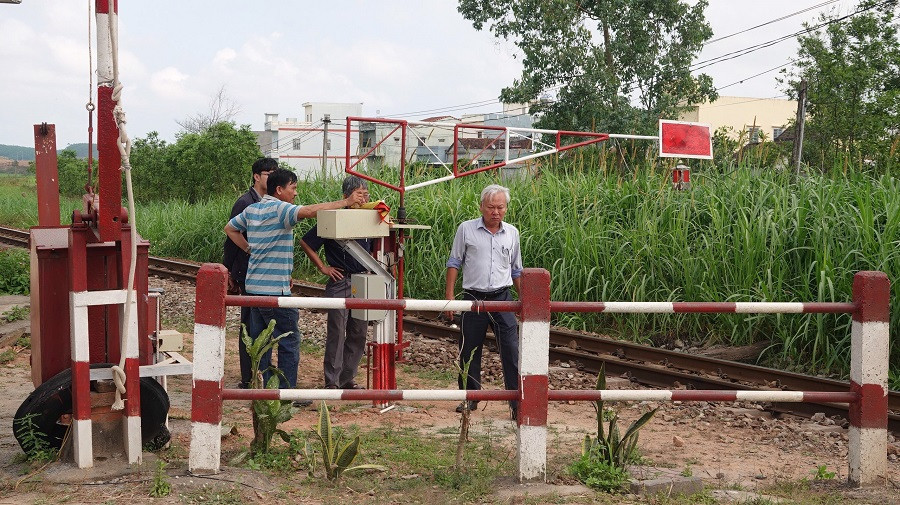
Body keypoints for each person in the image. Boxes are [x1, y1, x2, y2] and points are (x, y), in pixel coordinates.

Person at [224, 168, 367, 395]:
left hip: (253, 288)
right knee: (289, 342)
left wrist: (250, 249)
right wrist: (346, 201)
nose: (296, 193)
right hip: (275, 292)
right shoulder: (281, 209)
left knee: (260, 343)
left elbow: (230, 228)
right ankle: (287, 393)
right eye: (293, 188)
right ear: (279, 190)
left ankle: (263, 390)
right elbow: (310, 211)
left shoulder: (252, 209)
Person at [444, 184, 523, 420]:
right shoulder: (466, 229)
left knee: (511, 350)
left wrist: (524, 300)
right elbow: (454, 262)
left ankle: (515, 403)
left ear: (506, 209)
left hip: (503, 299)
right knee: (469, 350)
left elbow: (516, 270)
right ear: (481, 207)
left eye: (500, 207)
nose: (495, 212)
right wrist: (449, 298)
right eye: (491, 207)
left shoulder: (512, 233)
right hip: (473, 300)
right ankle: (470, 398)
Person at [299, 175, 373, 390]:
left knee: (359, 331)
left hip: (364, 280)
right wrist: (323, 267)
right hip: (341, 281)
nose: (363, 198)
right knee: (337, 332)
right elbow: (307, 242)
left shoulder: (371, 218)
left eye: (365, 194)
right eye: (358, 194)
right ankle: (332, 381)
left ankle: (347, 378)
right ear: (345, 196)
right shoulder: (333, 218)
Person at [222, 157, 276, 389]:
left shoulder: (273, 201)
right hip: (247, 272)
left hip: (265, 272)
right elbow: (231, 240)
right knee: (248, 326)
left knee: (265, 326)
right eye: (268, 173)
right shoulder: (245, 202)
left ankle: (261, 372)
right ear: (256, 176)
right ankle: (248, 377)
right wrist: (231, 272)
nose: (272, 177)